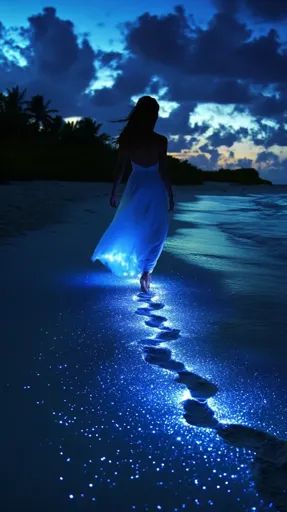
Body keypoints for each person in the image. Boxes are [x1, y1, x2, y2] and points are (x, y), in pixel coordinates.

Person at [90, 95, 174, 292]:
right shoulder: (160, 141)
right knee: (157, 230)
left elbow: (120, 169)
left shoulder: (128, 140)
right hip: (154, 188)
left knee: (136, 226)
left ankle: (143, 268)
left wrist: (114, 192)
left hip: (135, 186)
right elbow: (163, 170)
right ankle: (146, 271)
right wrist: (170, 193)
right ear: (153, 116)